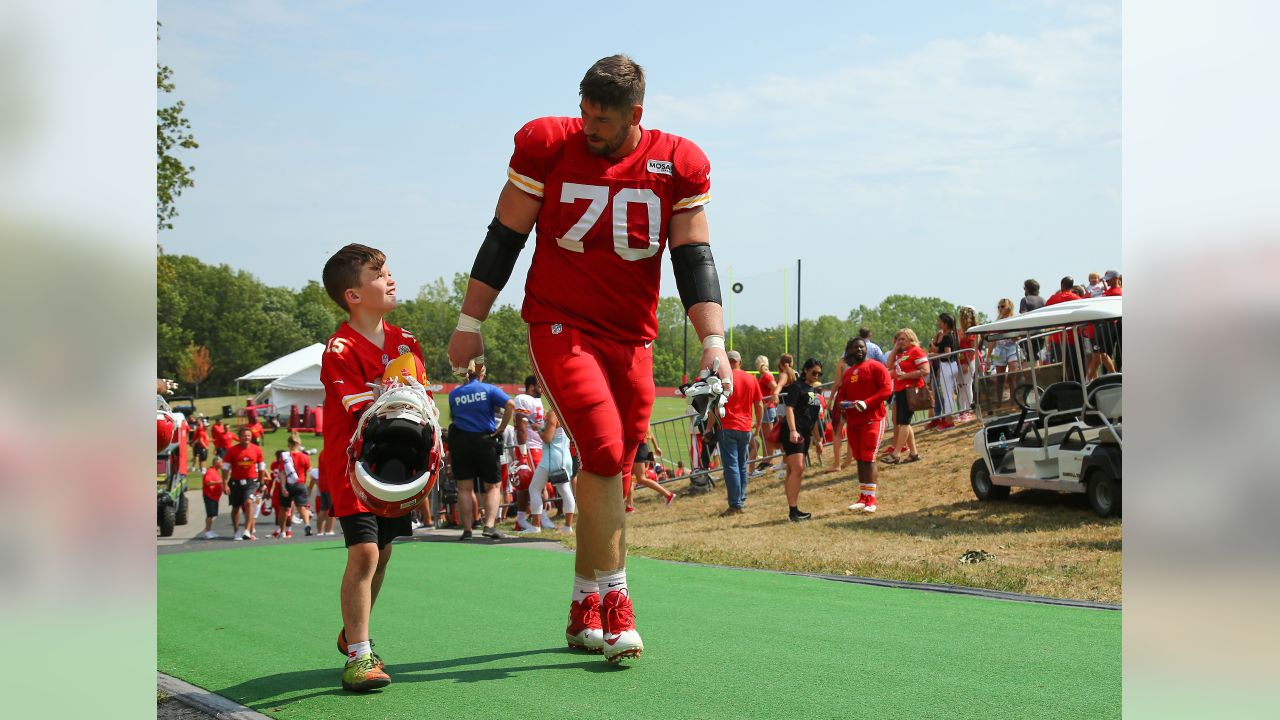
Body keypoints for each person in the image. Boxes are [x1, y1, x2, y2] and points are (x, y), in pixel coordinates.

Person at [447, 54, 727, 664]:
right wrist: (471, 322)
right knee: (600, 451)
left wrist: (713, 342)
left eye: (603, 118)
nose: (588, 126)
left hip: (632, 338)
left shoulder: (675, 161)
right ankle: (616, 601)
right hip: (560, 324)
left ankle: (580, 609)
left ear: (637, 115)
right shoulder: (549, 145)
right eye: (584, 112)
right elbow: (504, 236)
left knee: (615, 470)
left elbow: (694, 258)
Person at [319, 243, 427, 692]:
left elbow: (418, 399)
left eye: (388, 271)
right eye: (378, 274)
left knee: (382, 553)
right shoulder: (338, 348)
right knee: (363, 552)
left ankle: (352, 631)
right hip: (353, 468)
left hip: (395, 468)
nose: (390, 279)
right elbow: (366, 406)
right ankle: (360, 657)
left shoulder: (407, 342)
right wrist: (392, 390)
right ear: (353, 295)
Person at [447, 362, 515, 541]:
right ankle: (489, 526)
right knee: (492, 486)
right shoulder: (489, 389)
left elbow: (454, 418)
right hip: (485, 440)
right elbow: (510, 404)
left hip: (461, 442)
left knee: (464, 488)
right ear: (482, 374)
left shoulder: (454, 394)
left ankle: (467, 530)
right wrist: (502, 428)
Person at [833, 339, 893, 513]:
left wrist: (867, 403)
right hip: (854, 421)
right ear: (849, 351)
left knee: (869, 456)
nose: (859, 349)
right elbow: (842, 393)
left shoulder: (876, 366)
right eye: (855, 347)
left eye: (862, 347)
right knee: (859, 458)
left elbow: (886, 390)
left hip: (873, 419)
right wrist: (843, 405)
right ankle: (863, 496)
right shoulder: (849, 372)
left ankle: (871, 499)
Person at [717, 350, 763, 515]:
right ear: (740, 362)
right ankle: (740, 500)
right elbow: (759, 404)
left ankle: (735, 503)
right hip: (745, 427)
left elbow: (715, 405)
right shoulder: (751, 378)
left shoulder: (723, 379)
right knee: (742, 465)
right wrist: (757, 425)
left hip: (727, 426)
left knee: (731, 466)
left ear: (726, 362)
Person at [779, 359, 823, 522]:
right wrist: (792, 430)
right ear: (805, 370)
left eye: (819, 373)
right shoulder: (797, 387)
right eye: (814, 372)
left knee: (794, 470)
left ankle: (793, 510)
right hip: (793, 432)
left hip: (805, 433)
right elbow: (789, 408)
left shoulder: (814, 390)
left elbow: (814, 418)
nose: (816, 375)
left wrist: (818, 440)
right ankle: (793, 511)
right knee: (797, 468)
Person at [883, 329, 930, 464]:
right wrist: (895, 348)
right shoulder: (901, 353)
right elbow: (889, 365)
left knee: (904, 422)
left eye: (903, 339)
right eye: (898, 339)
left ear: (911, 338)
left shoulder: (916, 351)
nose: (900, 341)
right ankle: (914, 453)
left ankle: (896, 454)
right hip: (900, 390)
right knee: (904, 422)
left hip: (910, 390)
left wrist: (906, 376)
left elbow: (925, 370)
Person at [529, 406, 577, 533]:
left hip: (552, 458)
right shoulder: (567, 411)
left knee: (534, 488)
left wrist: (538, 429)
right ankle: (568, 526)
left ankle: (535, 526)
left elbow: (547, 438)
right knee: (565, 490)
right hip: (565, 457)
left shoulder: (553, 413)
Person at [224, 427, 267, 540]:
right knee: (235, 508)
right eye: (244, 436)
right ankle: (236, 531)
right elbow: (225, 468)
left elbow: (261, 467)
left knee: (249, 502)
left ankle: (247, 530)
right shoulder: (232, 450)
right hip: (235, 482)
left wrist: (262, 482)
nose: (246, 438)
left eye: (248, 435)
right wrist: (224, 483)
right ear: (239, 437)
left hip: (251, 482)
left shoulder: (257, 449)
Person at [628, 426, 675, 511]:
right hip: (637, 447)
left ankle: (668, 495)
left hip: (638, 448)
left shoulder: (635, 415)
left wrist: (656, 448)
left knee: (640, 478)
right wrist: (656, 447)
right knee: (632, 478)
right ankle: (629, 506)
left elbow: (648, 430)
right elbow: (649, 431)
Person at [928, 313, 959, 429]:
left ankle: (949, 421)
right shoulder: (953, 335)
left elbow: (947, 353)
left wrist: (934, 354)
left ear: (945, 323)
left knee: (947, 395)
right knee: (948, 394)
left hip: (948, 365)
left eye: (940, 321)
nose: (938, 323)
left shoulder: (947, 336)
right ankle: (948, 419)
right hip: (952, 365)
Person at [990, 298, 1022, 403]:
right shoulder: (996, 322)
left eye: (1002, 306)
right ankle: (999, 403)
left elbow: (1018, 337)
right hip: (999, 350)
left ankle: (1014, 402)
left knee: (1012, 376)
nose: (1000, 309)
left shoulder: (1014, 319)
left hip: (1012, 347)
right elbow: (992, 341)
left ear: (1009, 307)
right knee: (1000, 378)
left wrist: (1012, 334)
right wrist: (987, 357)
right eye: (998, 307)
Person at [754, 355, 779, 473]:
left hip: (768, 410)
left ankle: (768, 461)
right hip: (767, 409)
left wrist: (768, 403)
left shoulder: (766, 376)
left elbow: (775, 388)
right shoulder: (766, 376)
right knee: (764, 435)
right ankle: (765, 460)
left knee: (767, 436)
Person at [955, 306, 980, 422]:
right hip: (960, 361)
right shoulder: (961, 330)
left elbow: (973, 348)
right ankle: (962, 410)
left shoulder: (972, 330)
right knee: (961, 386)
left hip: (968, 361)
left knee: (967, 385)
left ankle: (968, 410)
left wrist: (967, 363)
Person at [200, 455, 228, 539]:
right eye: (221, 462)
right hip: (209, 496)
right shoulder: (210, 471)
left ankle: (210, 530)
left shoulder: (216, 471)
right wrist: (220, 482)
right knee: (210, 514)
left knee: (212, 515)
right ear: (216, 463)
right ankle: (208, 531)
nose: (222, 464)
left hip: (214, 496)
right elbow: (208, 482)